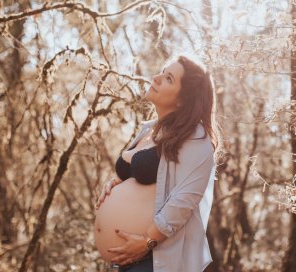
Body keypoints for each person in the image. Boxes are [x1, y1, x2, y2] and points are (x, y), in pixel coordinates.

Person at [95, 55, 221, 272]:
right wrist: (114, 182)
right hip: (126, 261)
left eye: (169, 78)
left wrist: (146, 242)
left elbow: (184, 201)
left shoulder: (196, 138)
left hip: (154, 260)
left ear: (183, 99)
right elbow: (139, 177)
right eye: (162, 71)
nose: (156, 78)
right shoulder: (150, 130)